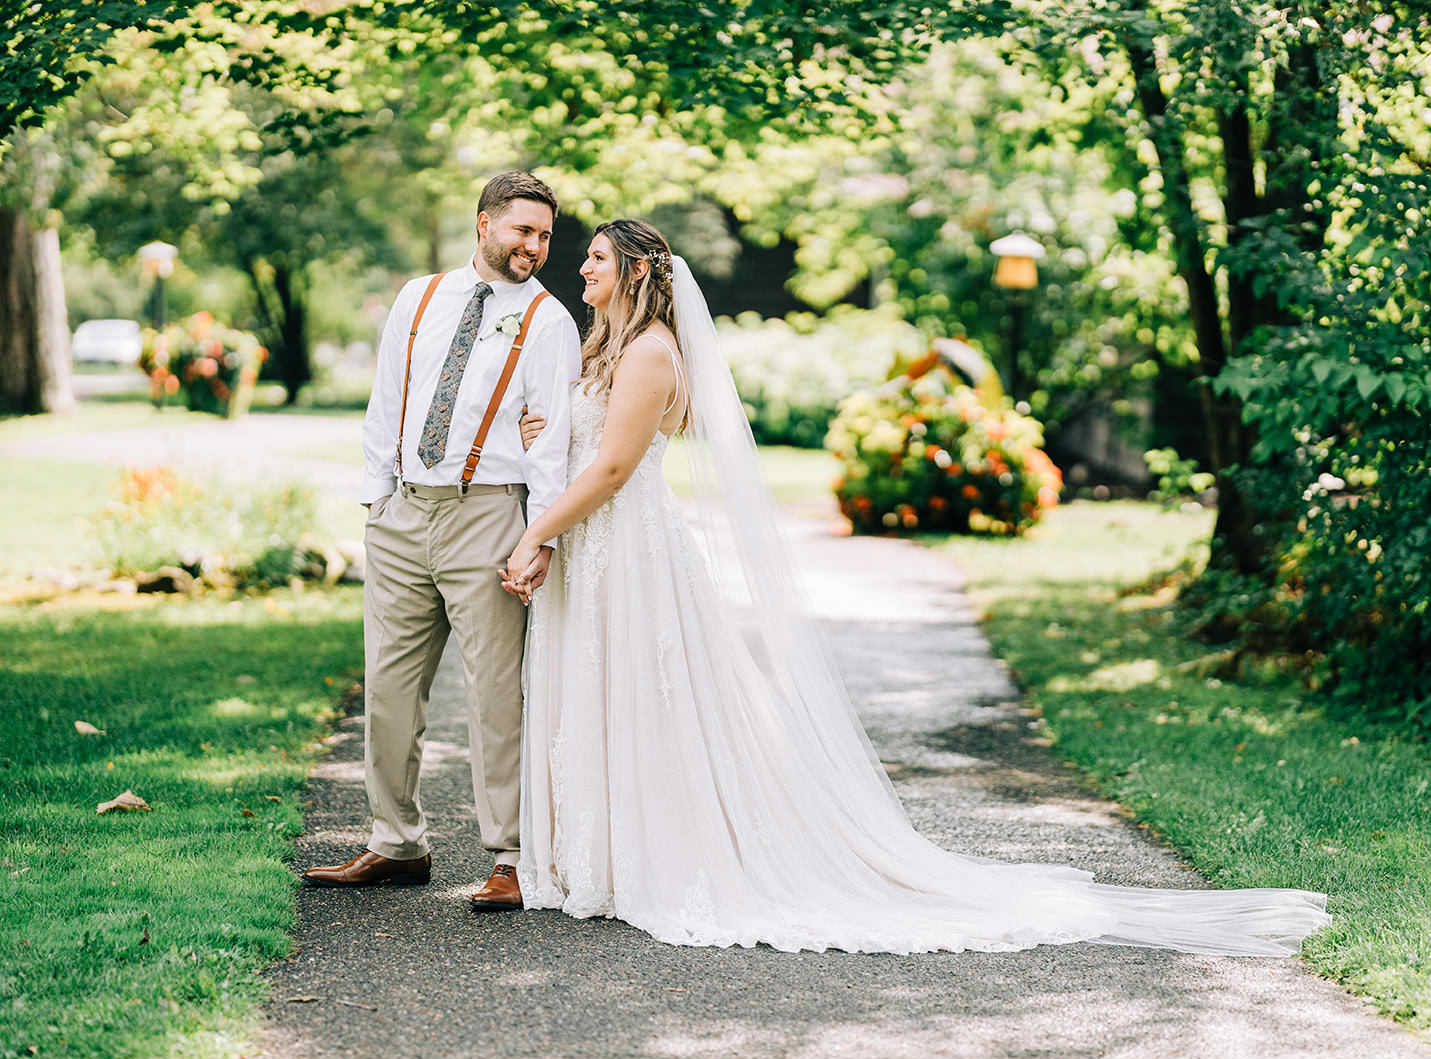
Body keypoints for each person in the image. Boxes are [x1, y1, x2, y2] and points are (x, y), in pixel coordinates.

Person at [501, 218, 1330, 954]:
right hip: (595, 546)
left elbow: (614, 465)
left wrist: (538, 530)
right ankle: (601, 854)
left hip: (628, 550)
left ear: (639, 272)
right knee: (605, 691)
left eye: (599, 260)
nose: (583, 270)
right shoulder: (605, 348)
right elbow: (590, 443)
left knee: (650, 697)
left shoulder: (650, 350)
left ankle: (658, 856)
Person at [304, 172, 580, 912]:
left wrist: (540, 535)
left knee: (496, 693)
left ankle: (513, 855)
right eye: (523, 229)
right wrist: (377, 497)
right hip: (401, 517)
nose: (535, 246)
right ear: (484, 223)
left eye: (545, 235)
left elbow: (550, 438)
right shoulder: (418, 296)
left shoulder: (549, 321)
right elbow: (385, 398)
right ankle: (396, 841)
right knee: (389, 687)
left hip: (488, 515)